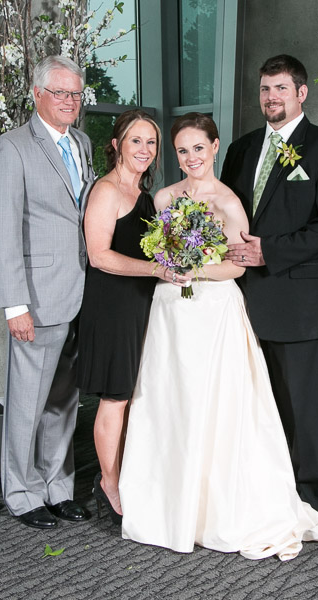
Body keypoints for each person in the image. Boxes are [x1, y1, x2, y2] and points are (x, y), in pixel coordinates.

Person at [119, 113, 318, 560]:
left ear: (215, 148)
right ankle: (169, 504)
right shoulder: (162, 198)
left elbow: (237, 264)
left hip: (213, 310)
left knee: (215, 405)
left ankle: (214, 510)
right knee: (168, 401)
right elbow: (156, 247)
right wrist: (168, 265)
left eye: (199, 148)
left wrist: (192, 269)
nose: (191, 158)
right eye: (182, 150)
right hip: (170, 311)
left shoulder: (230, 202)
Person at [220, 55, 318, 512]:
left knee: (301, 407)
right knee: (250, 402)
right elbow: (224, 213)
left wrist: (268, 251)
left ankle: (308, 500)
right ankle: (258, 492)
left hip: (296, 297)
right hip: (239, 297)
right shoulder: (240, 149)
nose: (271, 97)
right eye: (264, 90)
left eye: (280, 88)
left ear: (301, 92)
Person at [0, 56, 95, 529]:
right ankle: (22, 491)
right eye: (60, 93)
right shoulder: (11, 149)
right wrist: (14, 304)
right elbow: (1, 231)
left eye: (75, 94)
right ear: (37, 94)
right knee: (26, 401)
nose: (70, 102)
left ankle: (57, 485)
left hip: (80, 293)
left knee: (64, 402)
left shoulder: (83, 143)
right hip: (35, 298)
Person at [76, 109, 188, 524]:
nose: (144, 149)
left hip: (143, 304)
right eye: (136, 140)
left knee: (137, 395)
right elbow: (98, 255)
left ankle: (128, 475)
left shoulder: (146, 194)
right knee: (116, 396)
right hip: (113, 307)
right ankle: (108, 483)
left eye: (151, 142)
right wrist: (157, 269)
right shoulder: (106, 191)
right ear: (116, 144)